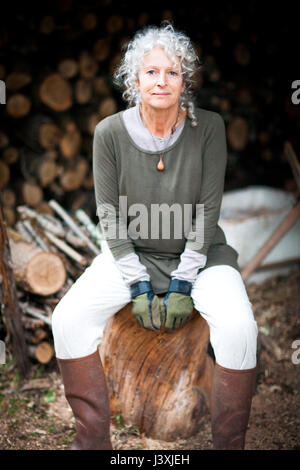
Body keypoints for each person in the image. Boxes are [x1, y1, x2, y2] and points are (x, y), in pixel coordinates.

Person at [51, 23, 258, 450]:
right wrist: (138, 284)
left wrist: (183, 282)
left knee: (240, 328)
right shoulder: (109, 133)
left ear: (185, 81)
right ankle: (92, 442)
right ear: (134, 80)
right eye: (150, 72)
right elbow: (109, 216)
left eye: (172, 72)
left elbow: (208, 210)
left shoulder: (209, 128)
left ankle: (230, 444)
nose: (161, 81)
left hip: (202, 255)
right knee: (67, 319)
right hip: (132, 253)